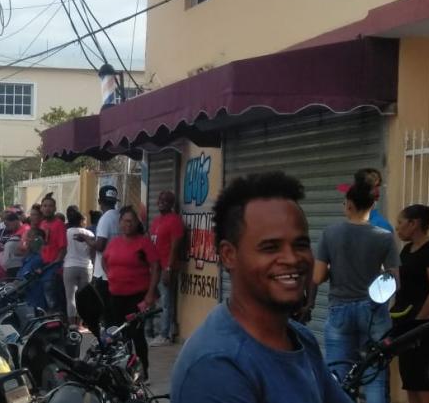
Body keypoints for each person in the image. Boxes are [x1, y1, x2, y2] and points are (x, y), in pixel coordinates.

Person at [171, 172, 351, 403]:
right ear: (229, 255)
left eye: (301, 244)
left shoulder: (300, 338)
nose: (292, 258)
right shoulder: (215, 367)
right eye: (270, 247)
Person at [307, 179, 400, 403]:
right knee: (375, 375)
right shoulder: (384, 237)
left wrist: (335, 270)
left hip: (340, 309)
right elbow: (394, 279)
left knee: (338, 376)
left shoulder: (330, 233)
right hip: (374, 312)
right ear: (372, 206)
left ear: (348, 204)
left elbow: (317, 277)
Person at [102, 206, 159, 380]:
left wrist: (150, 294)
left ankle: (144, 372)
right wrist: (112, 276)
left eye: (132, 221)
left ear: (137, 224)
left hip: (136, 297)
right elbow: (105, 261)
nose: (129, 224)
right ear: (120, 223)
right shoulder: (114, 243)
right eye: (125, 221)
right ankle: (125, 371)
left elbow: (156, 267)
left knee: (136, 335)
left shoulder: (144, 242)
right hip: (116, 296)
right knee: (120, 336)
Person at [393, 204, 429, 403]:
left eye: (400, 223)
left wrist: (419, 322)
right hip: (404, 321)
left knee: (422, 380)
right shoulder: (407, 250)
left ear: (414, 224)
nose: (398, 228)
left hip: (421, 326)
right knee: (409, 379)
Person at [148, 190, 185, 347]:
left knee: (166, 302)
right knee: (152, 300)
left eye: (166, 200)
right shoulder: (156, 221)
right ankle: (151, 331)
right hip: (154, 268)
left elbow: (175, 247)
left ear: (171, 204)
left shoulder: (174, 221)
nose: (162, 202)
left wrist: (168, 268)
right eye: (160, 199)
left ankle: (165, 334)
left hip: (165, 268)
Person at [63, 206, 94, 327]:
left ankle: (72, 324)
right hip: (86, 267)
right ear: (81, 221)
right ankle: (80, 324)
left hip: (69, 266)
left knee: (70, 296)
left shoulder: (66, 233)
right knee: (83, 297)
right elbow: (92, 252)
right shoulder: (89, 233)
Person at [39, 193, 68, 314]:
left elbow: (63, 248)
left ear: (55, 208)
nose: (47, 208)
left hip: (53, 269)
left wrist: (56, 266)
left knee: (54, 302)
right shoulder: (42, 224)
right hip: (42, 267)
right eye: (45, 206)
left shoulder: (59, 224)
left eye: (50, 206)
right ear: (41, 208)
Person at [0, 212, 28, 279]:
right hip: (10, 268)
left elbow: (25, 248)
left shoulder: (25, 230)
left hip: (18, 267)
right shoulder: (15, 231)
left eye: (8, 224)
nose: (7, 227)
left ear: (15, 221)